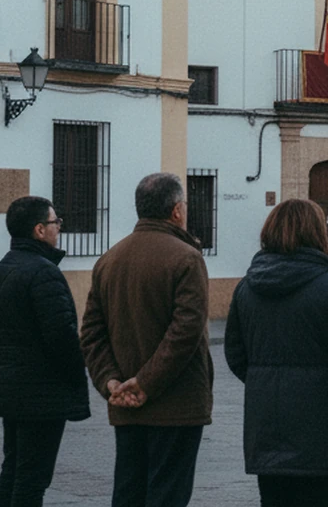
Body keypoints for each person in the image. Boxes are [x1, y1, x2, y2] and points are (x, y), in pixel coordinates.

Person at [225, 198, 328, 507]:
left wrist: (265, 381)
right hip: (322, 421)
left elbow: (235, 354)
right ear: (317, 233)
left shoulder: (248, 286)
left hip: (267, 420)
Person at [80, 173, 213, 507]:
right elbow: (185, 330)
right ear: (177, 211)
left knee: (129, 492)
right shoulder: (186, 258)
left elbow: (91, 332)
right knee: (168, 493)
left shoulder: (109, 259)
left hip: (124, 401)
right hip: (176, 405)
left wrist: (111, 381)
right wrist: (146, 383)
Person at [0, 196, 90, 507]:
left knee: (14, 469)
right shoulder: (43, 272)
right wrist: (78, 373)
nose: (59, 228)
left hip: (12, 388)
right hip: (41, 394)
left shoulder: (2, 269)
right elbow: (61, 337)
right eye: (55, 222)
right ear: (38, 230)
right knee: (33, 478)